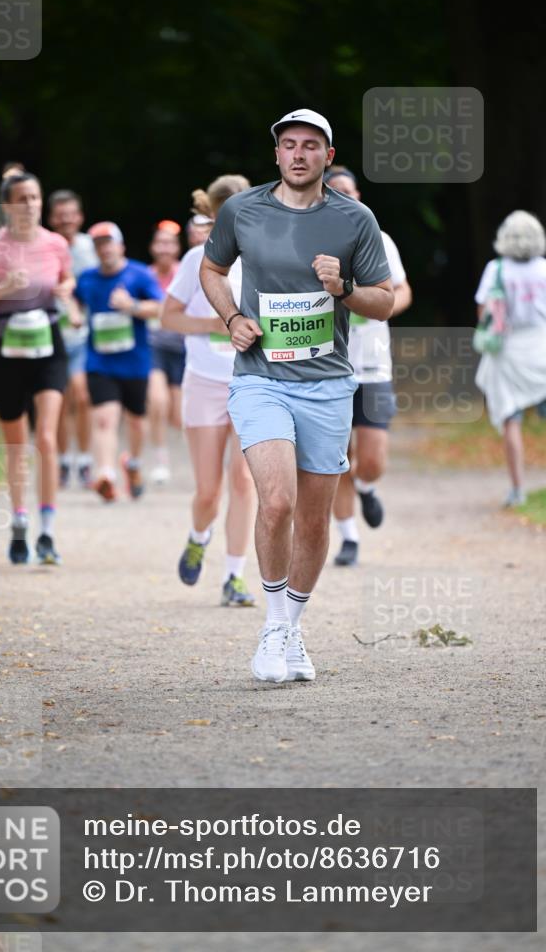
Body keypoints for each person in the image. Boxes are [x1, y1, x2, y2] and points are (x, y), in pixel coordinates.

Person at [200, 108, 393, 683]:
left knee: (313, 519)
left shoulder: (355, 220)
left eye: (312, 145)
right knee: (276, 500)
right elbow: (211, 270)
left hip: (329, 385)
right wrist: (231, 315)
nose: (300, 154)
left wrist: (345, 288)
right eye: (289, 145)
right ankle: (272, 625)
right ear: (277, 154)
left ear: (328, 156)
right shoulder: (243, 210)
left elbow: (384, 300)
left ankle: (292, 625)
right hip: (259, 377)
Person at [0, 172, 74, 564]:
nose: (30, 205)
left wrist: (66, 290)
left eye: (35, 197)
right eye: (22, 198)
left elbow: (66, 278)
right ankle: (19, 521)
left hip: (48, 343)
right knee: (17, 443)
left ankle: (47, 532)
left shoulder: (56, 243)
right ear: (7, 205)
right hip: (6, 346)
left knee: (45, 436)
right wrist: (2, 288)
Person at [162, 176, 256, 608]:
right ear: (216, 216)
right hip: (204, 382)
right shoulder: (196, 260)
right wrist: (217, 324)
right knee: (208, 491)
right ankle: (199, 536)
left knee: (243, 480)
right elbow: (169, 318)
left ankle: (234, 577)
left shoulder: (262, 258)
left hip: (252, 381)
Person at [324, 166, 413, 567]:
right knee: (334, 456)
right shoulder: (313, 241)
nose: (344, 197)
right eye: (335, 191)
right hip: (329, 366)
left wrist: (383, 306)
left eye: (349, 190)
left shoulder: (380, 240)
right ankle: (349, 537)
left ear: (358, 196)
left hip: (374, 366)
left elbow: (401, 289)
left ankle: (366, 485)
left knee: (373, 458)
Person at [73, 221, 163, 501]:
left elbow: (161, 308)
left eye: (108, 243)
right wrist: (74, 313)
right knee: (104, 419)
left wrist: (132, 306)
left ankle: (132, 463)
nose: (104, 249)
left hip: (134, 361)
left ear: (120, 246)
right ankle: (106, 475)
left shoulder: (139, 274)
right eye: (98, 245)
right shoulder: (87, 278)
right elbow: (74, 300)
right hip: (99, 361)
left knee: (136, 421)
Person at [474, 210, 546, 507]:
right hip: (542, 348)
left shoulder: (496, 269)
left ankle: (518, 488)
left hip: (507, 350)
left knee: (510, 419)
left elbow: (483, 312)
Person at [47, 189, 98, 489]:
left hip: (86, 332)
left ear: (79, 217)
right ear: (53, 218)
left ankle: (86, 459)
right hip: (52, 331)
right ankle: (64, 460)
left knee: (83, 394)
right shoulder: (45, 246)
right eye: (60, 215)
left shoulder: (91, 247)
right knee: (60, 400)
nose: (66, 220)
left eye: (71, 214)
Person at [147, 220, 185, 485]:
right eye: (159, 242)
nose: (164, 248)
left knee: (178, 415)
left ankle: (187, 459)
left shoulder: (186, 272)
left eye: (169, 243)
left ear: (177, 248)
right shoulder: (144, 275)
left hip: (183, 348)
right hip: (154, 346)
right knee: (157, 401)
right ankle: (160, 460)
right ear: (152, 247)